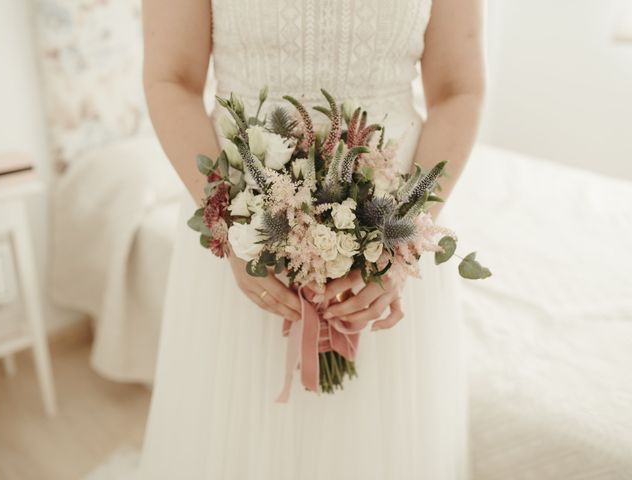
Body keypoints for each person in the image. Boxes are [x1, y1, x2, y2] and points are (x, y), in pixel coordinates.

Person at [138, 0, 485, 478]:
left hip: (396, 210)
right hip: (240, 216)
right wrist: (233, 225)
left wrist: (400, 239)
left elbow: (458, 89)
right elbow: (170, 78)